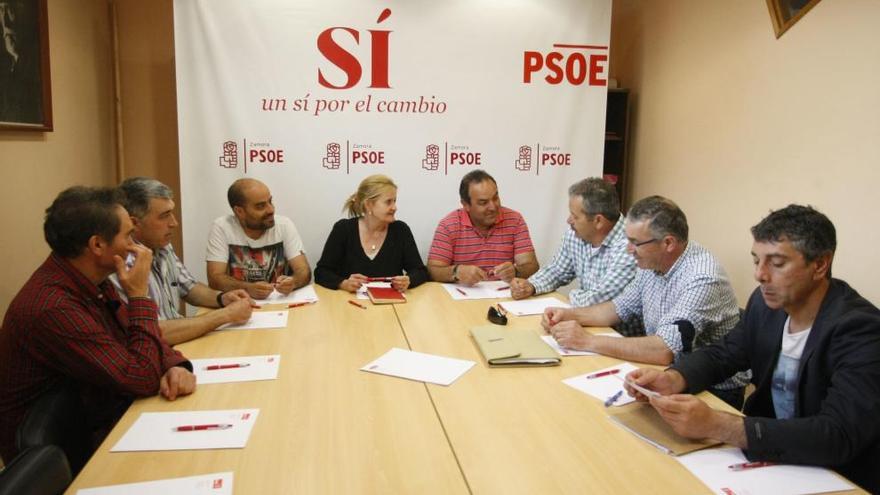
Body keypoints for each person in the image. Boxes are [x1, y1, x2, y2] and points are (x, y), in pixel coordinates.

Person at [625, 205, 880, 493]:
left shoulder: (862, 329)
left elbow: (837, 435)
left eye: (777, 263)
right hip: (772, 461)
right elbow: (723, 354)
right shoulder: (765, 304)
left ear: (820, 265)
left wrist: (719, 425)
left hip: (836, 476)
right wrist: (673, 378)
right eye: (757, 260)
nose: (760, 275)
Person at [0, 186, 196, 464]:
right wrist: (139, 295)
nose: (136, 246)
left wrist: (174, 364)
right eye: (129, 235)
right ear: (97, 245)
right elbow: (139, 377)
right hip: (66, 459)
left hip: (102, 420)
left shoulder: (92, 278)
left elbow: (136, 334)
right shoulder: (54, 307)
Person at [543, 195, 748, 408]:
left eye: (635, 243)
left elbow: (664, 350)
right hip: (669, 374)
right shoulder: (653, 261)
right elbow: (619, 307)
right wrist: (568, 315)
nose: (628, 250)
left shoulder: (702, 278)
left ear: (668, 243)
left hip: (712, 389)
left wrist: (586, 341)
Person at [113, 177, 253, 345]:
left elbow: (189, 287)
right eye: (164, 216)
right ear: (134, 223)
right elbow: (152, 332)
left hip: (180, 344)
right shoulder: (121, 265)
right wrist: (225, 315)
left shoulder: (162, 245)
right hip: (159, 352)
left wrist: (222, 298)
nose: (174, 223)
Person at [509, 177, 636, 314]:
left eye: (575, 216)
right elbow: (557, 270)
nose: (569, 220)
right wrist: (530, 285)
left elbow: (597, 299)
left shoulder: (631, 245)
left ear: (598, 221)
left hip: (619, 333)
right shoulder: (576, 233)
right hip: (584, 323)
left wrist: (570, 295)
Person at [314, 174, 428, 293]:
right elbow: (321, 272)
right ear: (369, 205)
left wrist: (408, 280)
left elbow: (420, 271)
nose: (394, 207)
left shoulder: (401, 230)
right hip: (350, 305)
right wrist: (343, 283)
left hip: (391, 305)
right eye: (388, 202)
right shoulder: (344, 229)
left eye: (394, 201)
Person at [427, 169, 538, 285]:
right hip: (463, 298)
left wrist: (516, 271)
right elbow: (433, 270)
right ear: (466, 205)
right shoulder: (448, 225)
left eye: (495, 198)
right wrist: (456, 272)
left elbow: (531, 266)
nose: (493, 207)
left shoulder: (515, 220)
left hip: (505, 297)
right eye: (483, 202)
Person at [206, 178, 311, 299]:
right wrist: (248, 288)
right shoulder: (222, 227)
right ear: (239, 211)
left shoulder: (284, 225)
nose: (271, 210)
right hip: (239, 303)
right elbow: (215, 279)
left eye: (270, 201)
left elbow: (303, 271)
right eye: (261, 206)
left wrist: (294, 282)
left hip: (281, 302)